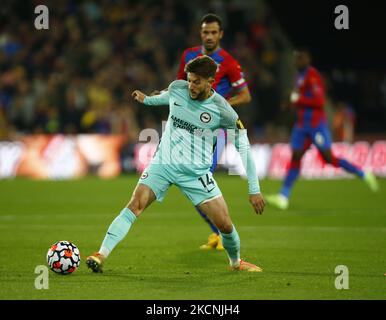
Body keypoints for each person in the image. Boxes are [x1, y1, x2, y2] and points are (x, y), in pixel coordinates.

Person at [86, 56, 265, 273]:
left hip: (195, 174)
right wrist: (146, 100)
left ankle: (236, 263)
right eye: (189, 80)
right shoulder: (179, 88)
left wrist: (254, 189)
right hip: (163, 164)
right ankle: (101, 254)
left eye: (197, 82)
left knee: (225, 225)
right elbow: (167, 97)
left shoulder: (223, 109)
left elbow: (244, 147)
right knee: (135, 204)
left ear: (211, 81)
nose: (190, 86)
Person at [266, 48, 379, 210]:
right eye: (296, 59)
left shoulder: (313, 76)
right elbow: (300, 100)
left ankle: (363, 173)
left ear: (308, 60)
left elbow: (318, 101)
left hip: (315, 126)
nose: (298, 61)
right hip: (301, 125)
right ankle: (283, 196)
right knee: (296, 156)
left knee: (329, 158)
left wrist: (298, 98)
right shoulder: (300, 77)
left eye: (301, 58)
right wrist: (290, 103)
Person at [176, 13, 252, 250]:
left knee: (199, 179)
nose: (209, 36)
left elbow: (245, 96)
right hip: (190, 129)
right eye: (205, 32)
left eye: (213, 32)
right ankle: (219, 233)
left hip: (215, 129)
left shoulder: (228, 62)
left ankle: (223, 235)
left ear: (220, 34)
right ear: (201, 34)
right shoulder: (189, 55)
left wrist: (223, 106)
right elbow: (180, 85)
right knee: (189, 183)